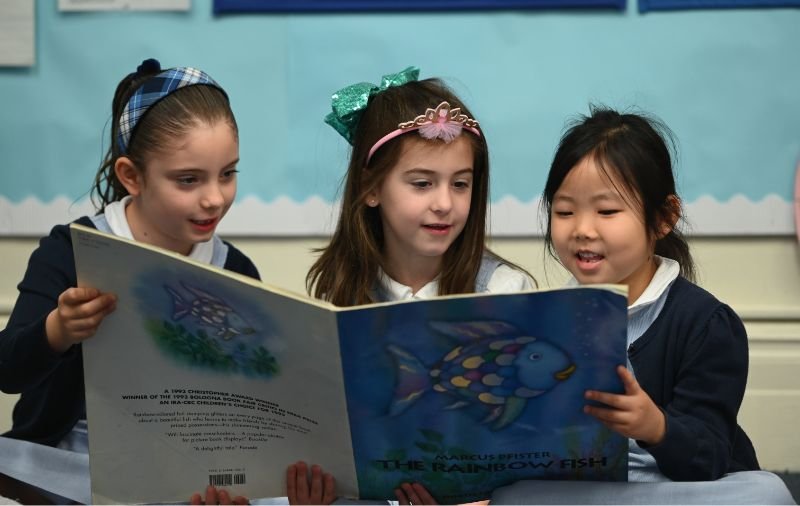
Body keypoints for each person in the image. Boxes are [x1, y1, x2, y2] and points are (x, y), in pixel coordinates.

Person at [490, 106, 795, 505]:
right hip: (583, 493)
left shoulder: (704, 323)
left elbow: (711, 457)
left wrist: (656, 427)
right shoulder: (540, 322)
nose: (582, 229)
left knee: (766, 493)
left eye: (607, 211)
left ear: (664, 217)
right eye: (564, 211)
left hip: (674, 490)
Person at [0, 58, 260, 505]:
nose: (215, 197)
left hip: (187, 473)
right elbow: (7, 370)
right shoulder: (74, 251)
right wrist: (58, 331)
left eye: (228, 174)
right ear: (131, 176)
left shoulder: (234, 269)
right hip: (66, 463)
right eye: (188, 179)